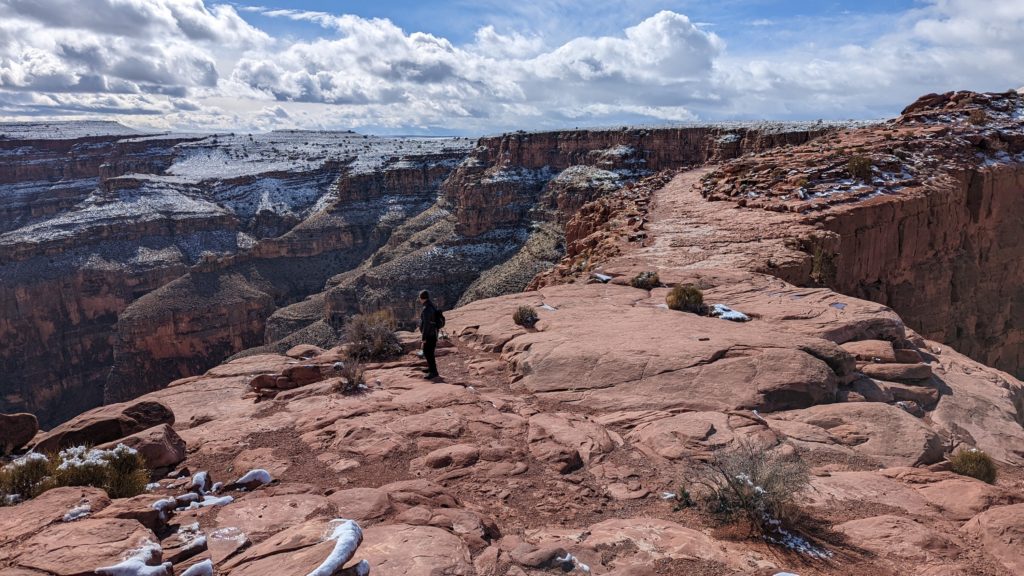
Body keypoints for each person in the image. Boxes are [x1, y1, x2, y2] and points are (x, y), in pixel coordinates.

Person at [418, 290, 440, 379]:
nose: (419, 299)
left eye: (419, 298)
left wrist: (423, 337)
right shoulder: (431, 305)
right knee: (429, 352)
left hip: (429, 334)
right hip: (433, 332)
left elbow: (426, 325)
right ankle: (431, 368)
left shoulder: (426, 309)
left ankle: (434, 372)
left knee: (428, 353)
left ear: (422, 298)